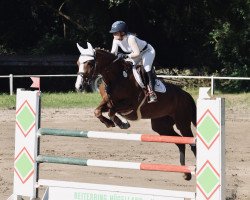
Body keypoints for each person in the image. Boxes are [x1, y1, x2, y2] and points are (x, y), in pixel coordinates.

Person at [109, 20, 157, 103]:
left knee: (146, 68)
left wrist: (125, 55)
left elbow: (137, 53)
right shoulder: (115, 40)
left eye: (115, 33)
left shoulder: (131, 38)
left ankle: (152, 93)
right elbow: (113, 53)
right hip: (134, 54)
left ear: (122, 33)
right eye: (113, 33)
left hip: (147, 51)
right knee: (126, 66)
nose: (113, 35)